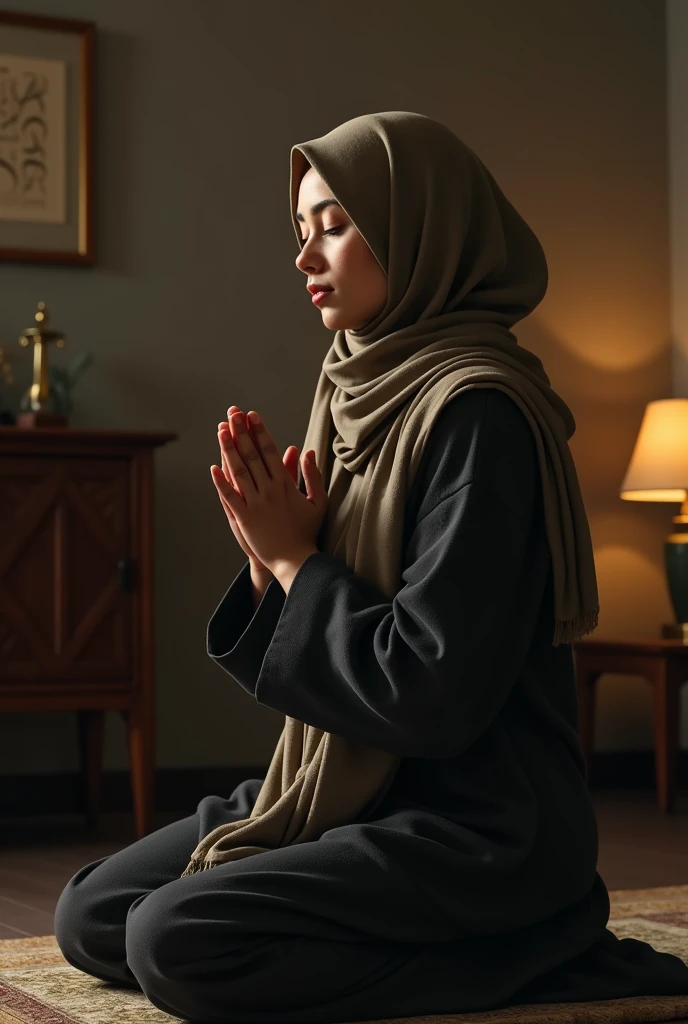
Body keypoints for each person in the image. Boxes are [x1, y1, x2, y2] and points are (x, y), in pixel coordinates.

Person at [53, 112, 688, 1023]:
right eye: (300, 231)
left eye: (335, 225)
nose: (306, 257)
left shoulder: (480, 414)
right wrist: (276, 566)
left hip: (474, 821)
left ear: (419, 226)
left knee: (173, 942)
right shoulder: (351, 387)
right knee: (93, 915)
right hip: (345, 785)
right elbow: (333, 656)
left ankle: (536, 957)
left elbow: (431, 689)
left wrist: (292, 557)